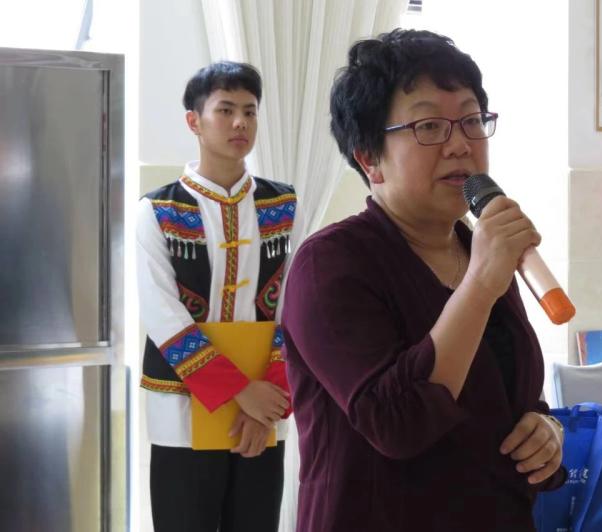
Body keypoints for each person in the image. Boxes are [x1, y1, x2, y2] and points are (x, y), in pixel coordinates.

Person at [281, 29, 565, 532]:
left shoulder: (479, 250)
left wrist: (546, 428)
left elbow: (506, 391)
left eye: (472, 120)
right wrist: (481, 284)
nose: (460, 145)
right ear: (369, 158)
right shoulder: (328, 265)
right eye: (429, 126)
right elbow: (397, 422)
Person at [136, 61, 295, 532]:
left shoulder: (284, 206)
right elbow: (161, 312)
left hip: (266, 402)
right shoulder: (158, 210)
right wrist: (240, 391)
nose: (240, 122)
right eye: (225, 110)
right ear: (194, 121)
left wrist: (267, 402)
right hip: (181, 408)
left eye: (250, 111)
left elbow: (297, 304)